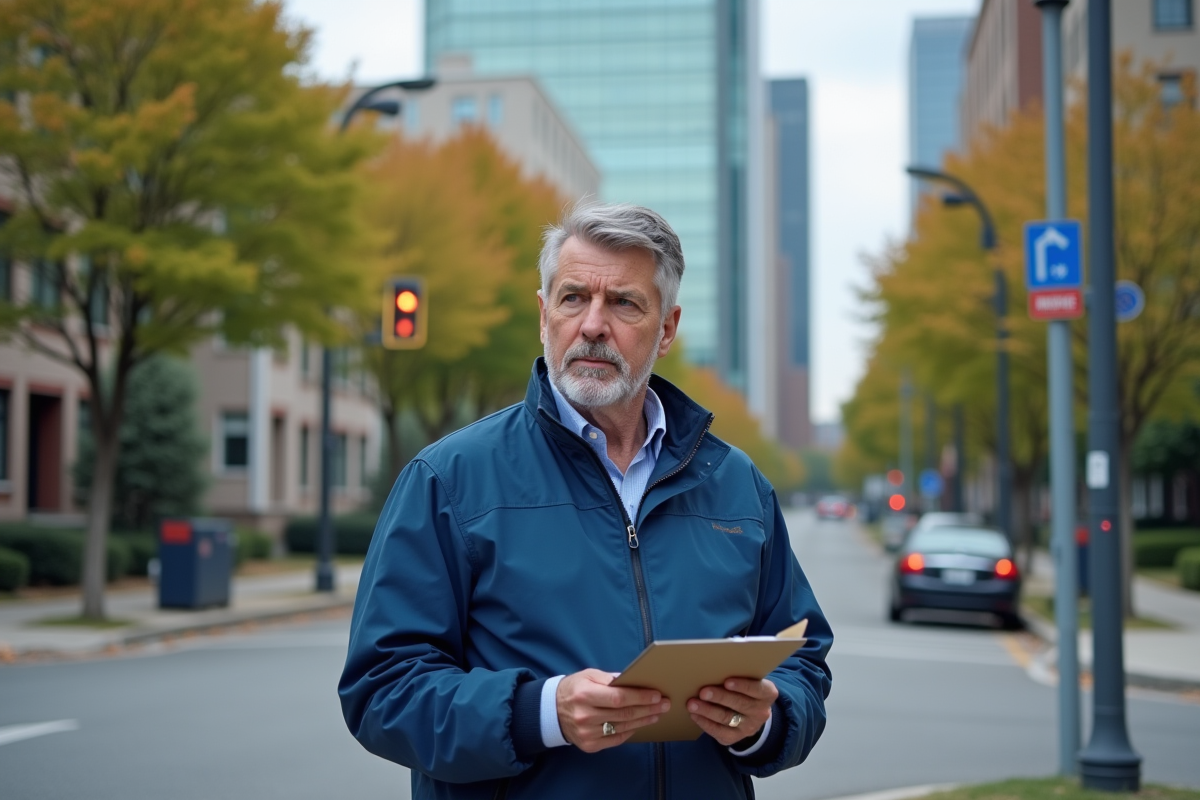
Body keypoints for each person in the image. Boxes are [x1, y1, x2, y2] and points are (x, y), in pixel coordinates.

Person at [340, 203, 833, 799]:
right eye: (574, 298)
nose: (593, 325)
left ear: (667, 329)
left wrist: (766, 722)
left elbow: (802, 660)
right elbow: (383, 689)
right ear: (543, 315)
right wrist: (539, 713)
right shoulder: (448, 479)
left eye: (624, 303)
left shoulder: (736, 484)